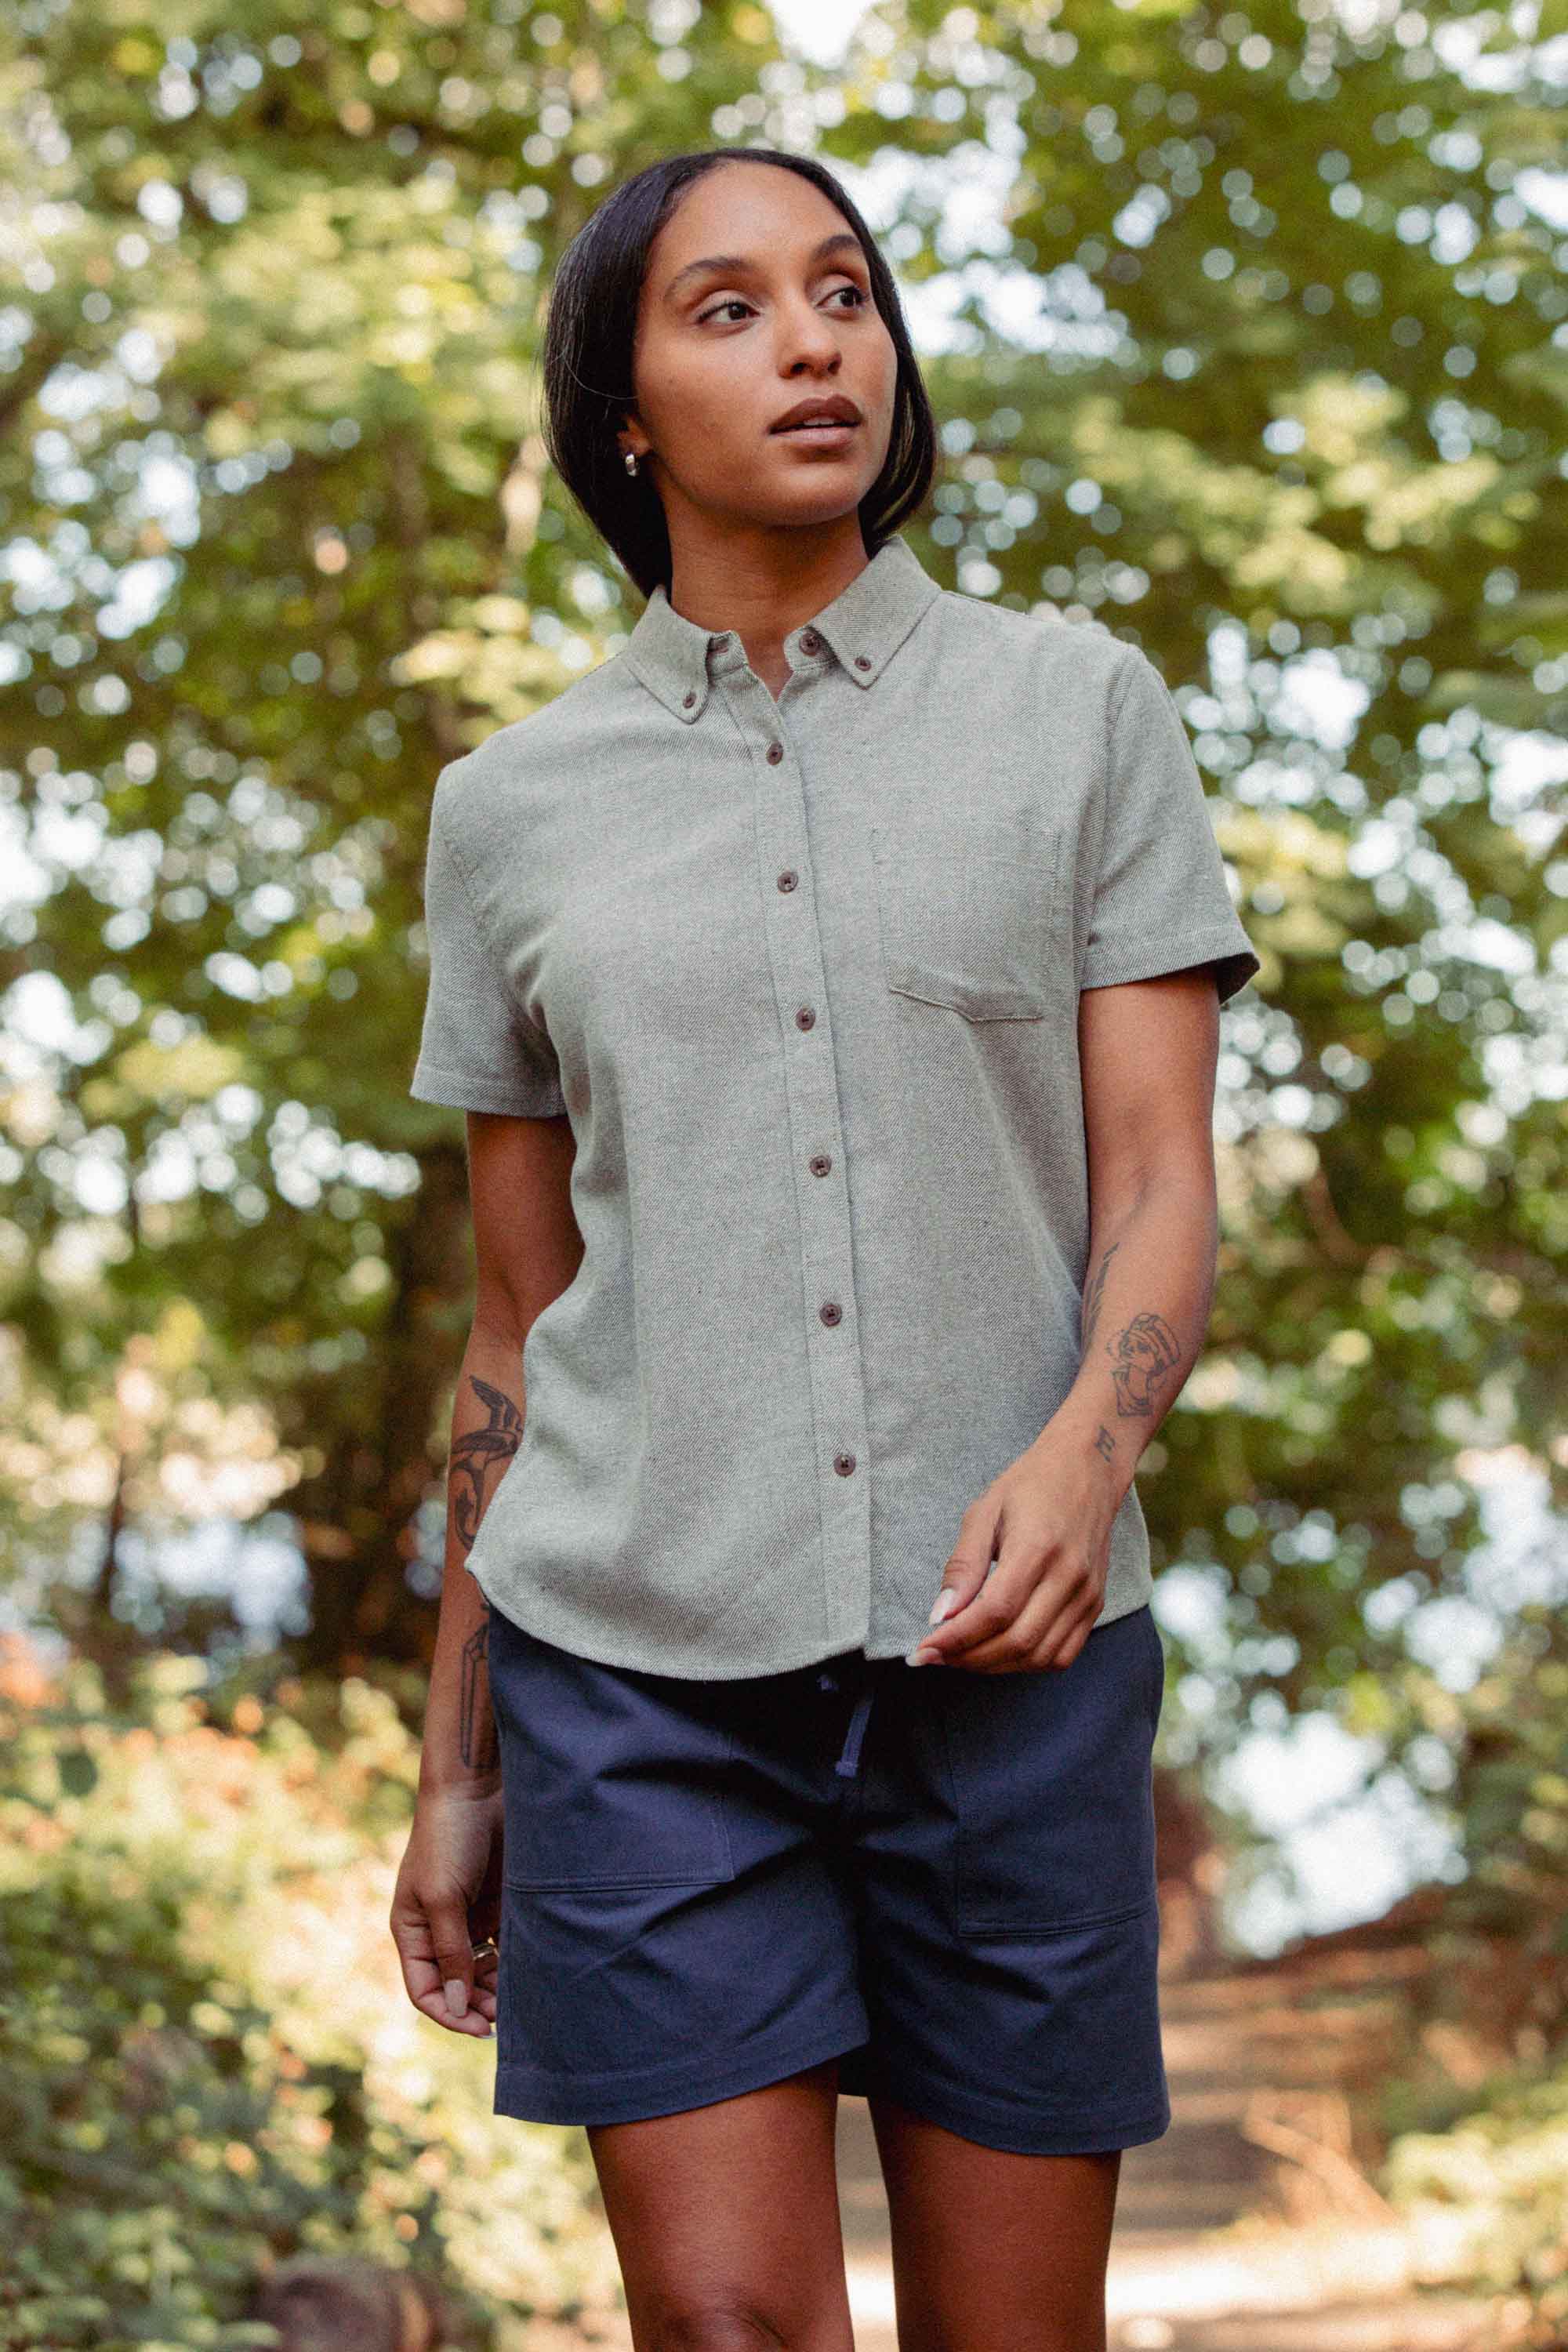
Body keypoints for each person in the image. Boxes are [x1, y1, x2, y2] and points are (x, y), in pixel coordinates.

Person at [390, 143, 1261, 2352]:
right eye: (732, 306)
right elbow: (520, 1326)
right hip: (638, 1690)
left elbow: (1162, 1176)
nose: (814, 342)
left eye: (848, 293)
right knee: (724, 2332)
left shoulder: (1080, 717)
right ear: (621, 407)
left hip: (1017, 1681)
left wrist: (1081, 1461)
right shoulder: (510, 814)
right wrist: (459, 1772)